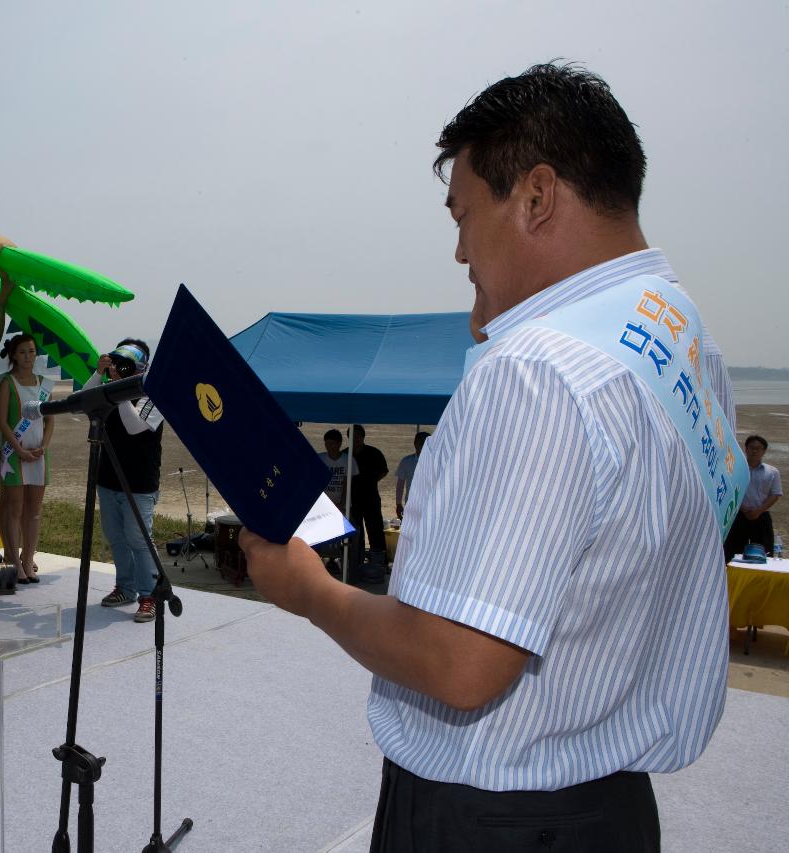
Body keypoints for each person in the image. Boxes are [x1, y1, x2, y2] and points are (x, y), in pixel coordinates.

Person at [241, 63, 739, 851]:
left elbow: (461, 663)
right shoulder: (680, 339)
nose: (459, 249)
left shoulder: (538, 370)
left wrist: (308, 591)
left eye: (464, 214)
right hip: (609, 810)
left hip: (493, 817)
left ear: (536, 197)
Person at [91, 339, 166, 623]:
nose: (118, 370)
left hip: (140, 482)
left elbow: (136, 427)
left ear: (141, 367)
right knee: (116, 537)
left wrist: (120, 391)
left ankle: (150, 595)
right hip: (108, 478)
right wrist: (99, 375)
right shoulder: (106, 389)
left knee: (139, 539)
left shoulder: (154, 393)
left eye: (126, 366)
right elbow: (85, 402)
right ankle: (125, 587)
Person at [0, 333, 54, 584]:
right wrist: (18, 449)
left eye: (31, 351)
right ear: (13, 356)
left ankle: (28, 559)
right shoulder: (7, 383)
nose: (28, 357)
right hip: (13, 456)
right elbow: (2, 421)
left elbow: (50, 419)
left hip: (39, 455)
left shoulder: (45, 384)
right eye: (22, 352)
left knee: (34, 511)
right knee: (14, 509)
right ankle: (15, 562)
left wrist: (44, 445)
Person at [724, 435, 781, 560]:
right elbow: (729, 489)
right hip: (738, 515)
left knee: (764, 551)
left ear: (764, 451)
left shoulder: (772, 472)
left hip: (761, 516)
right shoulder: (735, 469)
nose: (754, 451)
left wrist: (758, 511)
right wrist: (743, 508)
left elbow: (775, 494)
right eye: (751, 448)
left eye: (758, 448)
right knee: (733, 551)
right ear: (746, 449)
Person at [348, 426, 388, 576]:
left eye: (358, 436)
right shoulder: (346, 454)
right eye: (352, 436)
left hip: (371, 497)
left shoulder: (374, 452)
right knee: (356, 530)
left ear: (363, 437)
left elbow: (384, 471)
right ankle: (356, 561)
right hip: (352, 499)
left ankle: (379, 562)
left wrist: (371, 481)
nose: (355, 439)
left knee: (375, 529)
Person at [318, 428, 358, 510]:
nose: (328, 446)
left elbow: (347, 484)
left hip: (342, 505)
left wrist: (342, 503)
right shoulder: (319, 458)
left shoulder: (349, 460)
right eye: (326, 443)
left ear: (339, 444)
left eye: (332, 443)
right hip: (322, 503)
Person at [393, 430, 429, 521]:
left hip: (431, 504)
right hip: (412, 504)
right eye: (420, 442)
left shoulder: (437, 462)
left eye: (425, 442)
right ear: (415, 443)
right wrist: (398, 504)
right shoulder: (406, 461)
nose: (422, 445)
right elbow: (400, 485)